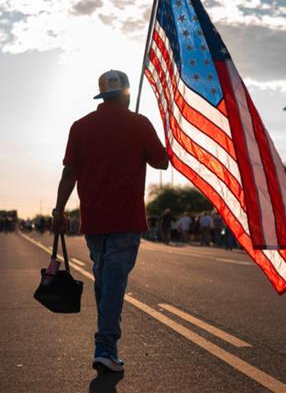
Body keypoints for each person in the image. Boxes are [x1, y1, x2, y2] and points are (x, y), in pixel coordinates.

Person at [51, 69, 169, 373]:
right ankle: (105, 346)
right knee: (113, 282)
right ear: (127, 94)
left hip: (94, 220)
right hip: (126, 219)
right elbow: (162, 162)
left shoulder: (80, 127)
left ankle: (106, 344)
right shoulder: (139, 124)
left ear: (102, 96)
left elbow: (69, 173)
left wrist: (59, 210)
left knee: (105, 281)